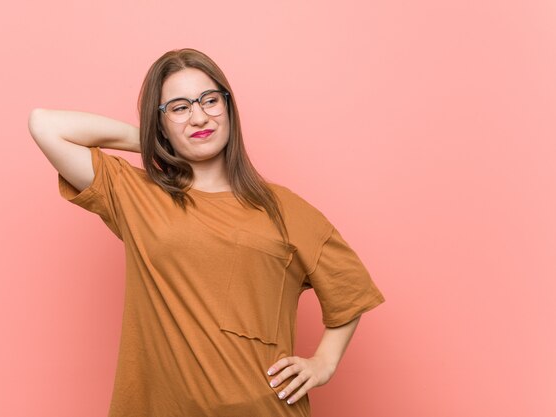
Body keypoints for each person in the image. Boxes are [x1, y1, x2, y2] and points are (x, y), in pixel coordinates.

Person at [28, 47, 385, 417]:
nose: (199, 116)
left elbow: (350, 290)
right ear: (160, 121)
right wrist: (157, 142)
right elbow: (46, 125)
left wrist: (324, 362)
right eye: (180, 108)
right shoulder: (137, 197)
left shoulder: (285, 208)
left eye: (210, 100)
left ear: (229, 107)